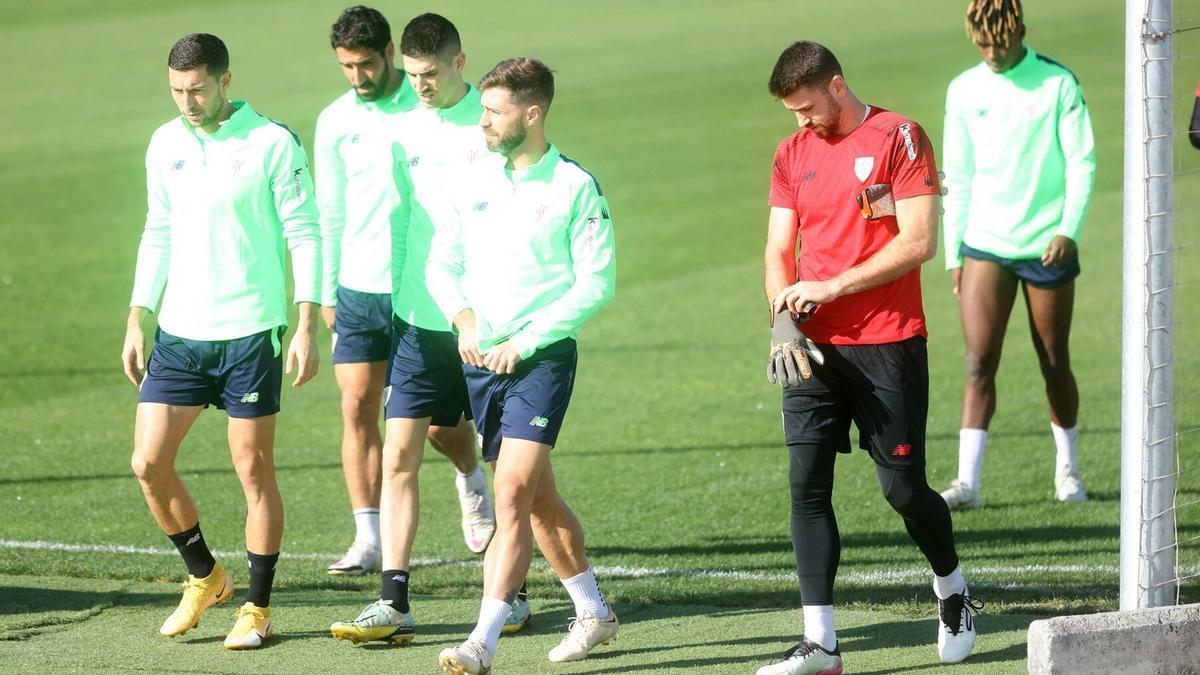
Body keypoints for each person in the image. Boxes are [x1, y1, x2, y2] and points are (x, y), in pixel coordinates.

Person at [759, 41, 980, 674]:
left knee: (904, 491)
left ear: (836, 85)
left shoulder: (900, 138)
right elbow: (779, 250)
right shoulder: (791, 153)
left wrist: (830, 286)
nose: (800, 121)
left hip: (888, 341)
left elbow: (919, 242)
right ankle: (821, 645)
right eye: (791, 112)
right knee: (806, 485)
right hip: (810, 348)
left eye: (806, 107)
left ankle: (953, 588)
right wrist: (782, 321)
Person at [327, 13, 524, 645]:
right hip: (416, 316)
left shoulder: (493, 123)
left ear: (459, 62)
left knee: (505, 465)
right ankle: (394, 602)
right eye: (411, 76)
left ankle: (511, 597)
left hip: (485, 323)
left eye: (431, 74)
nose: (421, 86)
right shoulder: (402, 127)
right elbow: (404, 222)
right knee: (401, 455)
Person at [122, 33, 321, 650]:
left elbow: (305, 231)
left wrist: (306, 321)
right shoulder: (164, 143)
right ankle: (206, 575)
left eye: (198, 89)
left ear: (225, 81)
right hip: (180, 334)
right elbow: (158, 229)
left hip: (247, 335)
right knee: (149, 464)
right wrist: (138, 313)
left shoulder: (271, 142)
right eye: (177, 90)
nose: (187, 100)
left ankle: (257, 608)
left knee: (252, 470)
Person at [429, 57, 617, 675]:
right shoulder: (473, 182)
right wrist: (462, 319)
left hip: (542, 359)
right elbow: (442, 264)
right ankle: (593, 612)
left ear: (531, 113)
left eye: (493, 110)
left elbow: (596, 283)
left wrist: (528, 340)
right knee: (538, 501)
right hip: (482, 359)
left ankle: (480, 642)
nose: (481, 121)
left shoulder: (573, 187)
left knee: (509, 491)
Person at [939, 0, 1096, 511]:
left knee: (1053, 362)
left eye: (1000, 43)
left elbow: (1082, 163)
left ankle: (1068, 471)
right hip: (984, 244)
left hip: (1046, 246)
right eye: (982, 44)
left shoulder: (1057, 84)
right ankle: (967, 484)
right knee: (978, 363)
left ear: (1021, 31)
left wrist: (1067, 230)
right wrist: (954, 255)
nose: (991, 53)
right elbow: (956, 176)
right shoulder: (963, 90)